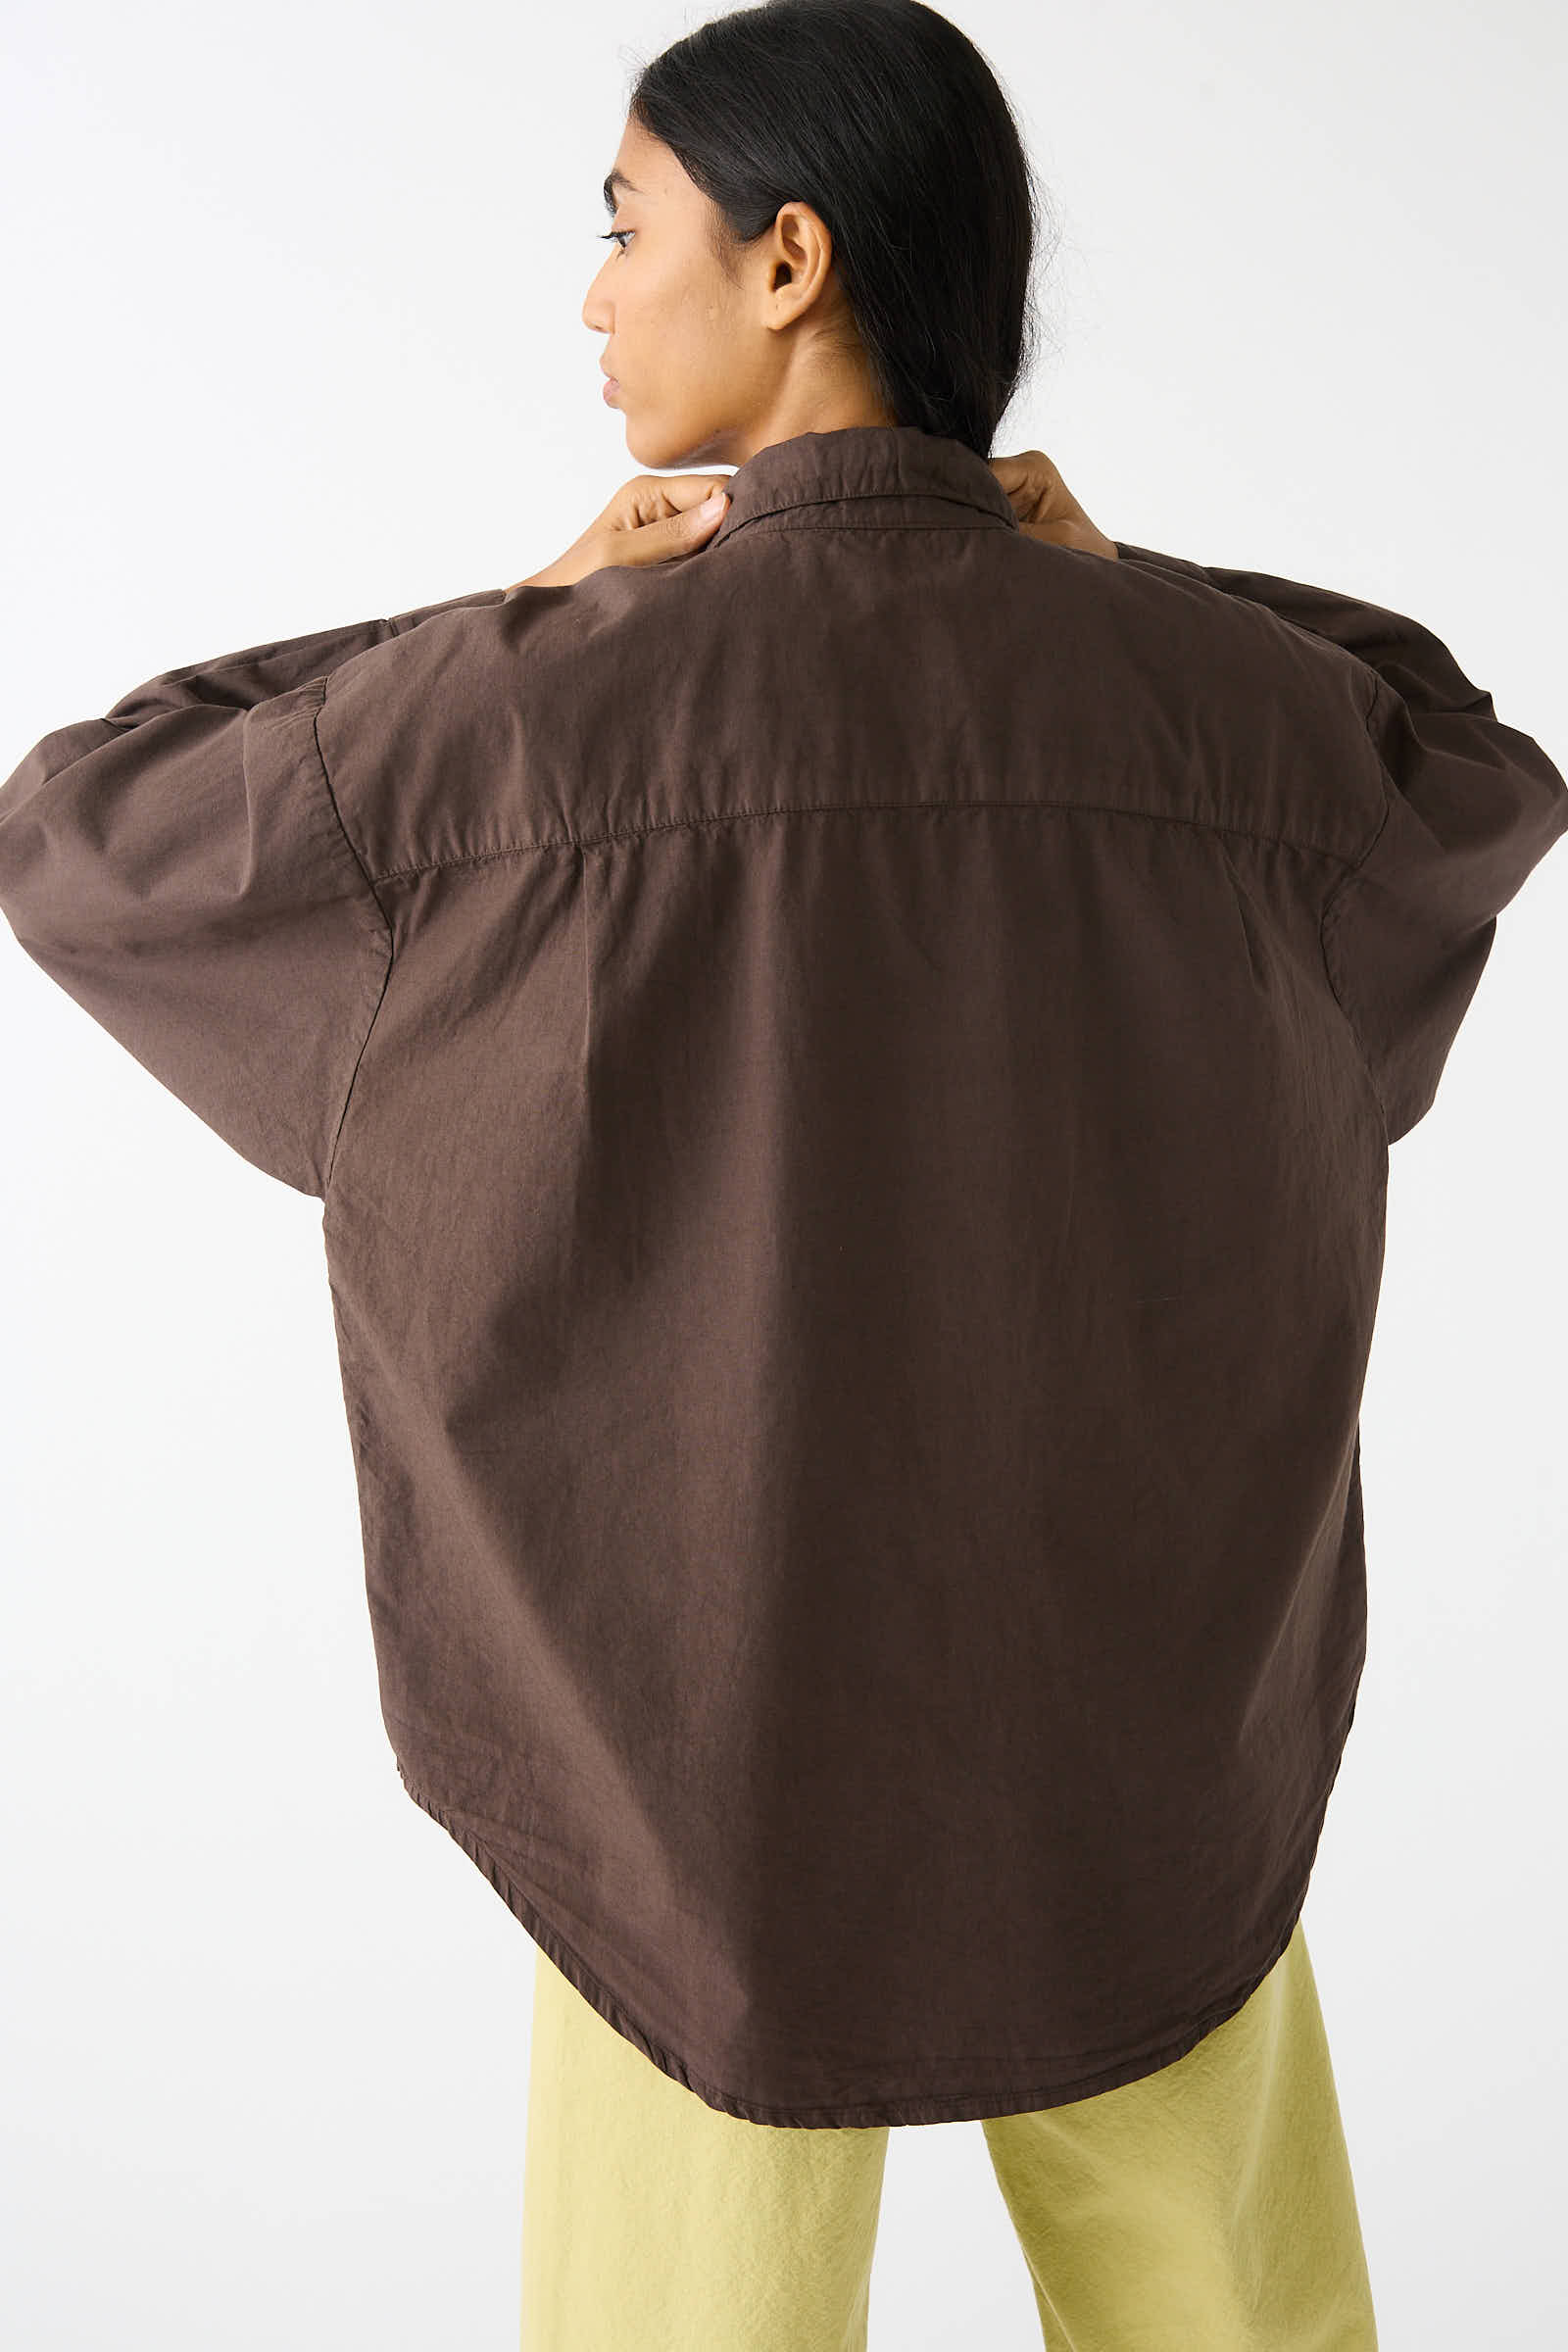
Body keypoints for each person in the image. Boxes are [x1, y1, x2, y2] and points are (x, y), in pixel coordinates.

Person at [2, 6, 1564, 2349]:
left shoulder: (535, 709)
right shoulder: (1209, 704)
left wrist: (513, 616)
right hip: (1137, 1738)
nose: (591, 293)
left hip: (681, 1755)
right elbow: (1465, 761)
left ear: (787, 260)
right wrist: (1135, 576)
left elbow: (89, 823)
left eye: (625, 226)